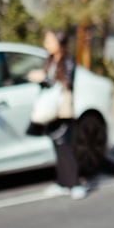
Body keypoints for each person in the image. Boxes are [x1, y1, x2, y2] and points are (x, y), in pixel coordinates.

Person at [28, 29, 87, 201]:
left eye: (49, 40)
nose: (46, 43)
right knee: (57, 145)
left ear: (58, 41)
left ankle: (75, 183)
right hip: (52, 110)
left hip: (63, 110)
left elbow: (66, 82)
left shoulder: (67, 60)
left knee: (66, 146)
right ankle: (63, 183)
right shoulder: (51, 60)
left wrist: (44, 78)